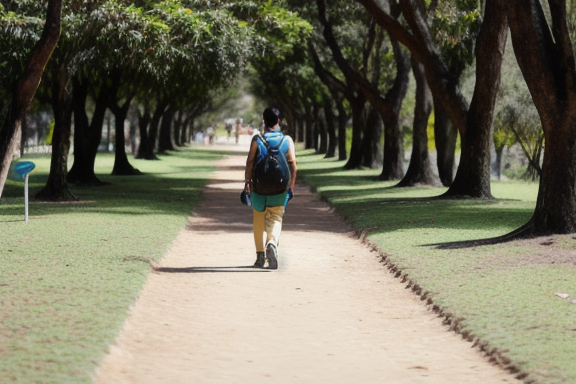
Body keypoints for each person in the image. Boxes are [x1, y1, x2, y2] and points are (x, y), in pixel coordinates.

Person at [244, 107, 297, 269]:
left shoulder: (257, 140)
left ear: (264, 120)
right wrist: (291, 186)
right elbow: (293, 164)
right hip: (280, 188)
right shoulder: (287, 140)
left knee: (259, 218)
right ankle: (272, 243)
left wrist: (247, 181)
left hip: (259, 187)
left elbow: (250, 162)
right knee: (275, 217)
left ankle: (260, 257)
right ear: (278, 121)